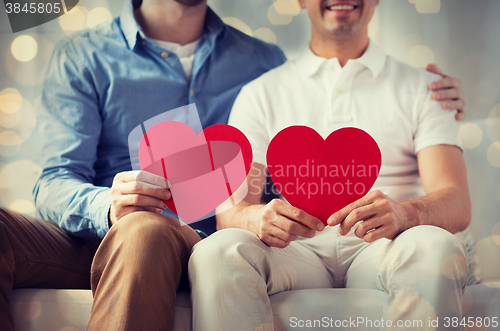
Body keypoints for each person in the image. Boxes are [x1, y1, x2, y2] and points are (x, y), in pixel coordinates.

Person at [0, 0, 465, 330]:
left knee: (144, 229)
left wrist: (434, 92)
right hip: (97, 231)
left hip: (178, 234)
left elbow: (307, 116)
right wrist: (107, 204)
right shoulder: (85, 56)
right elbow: (55, 180)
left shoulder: (260, 64)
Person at [188, 1, 472, 330]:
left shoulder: (427, 89)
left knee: (436, 247)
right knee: (216, 252)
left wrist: (406, 213)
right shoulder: (260, 93)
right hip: (295, 253)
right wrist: (257, 217)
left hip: (386, 247)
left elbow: (457, 201)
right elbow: (233, 211)